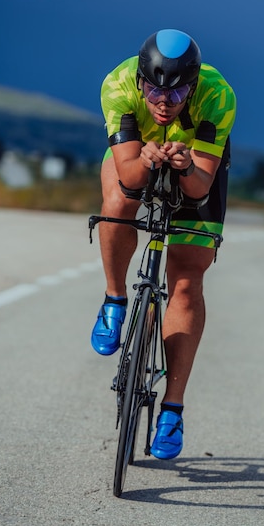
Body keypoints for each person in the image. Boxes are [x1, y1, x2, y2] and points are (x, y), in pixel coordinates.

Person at [91, 28, 236, 460]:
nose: (163, 102)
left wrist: (186, 164)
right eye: (154, 90)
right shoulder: (117, 85)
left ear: (193, 86)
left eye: (176, 94)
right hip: (138, 154)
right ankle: (115, 298)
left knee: (188, 280)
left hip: (197, 162)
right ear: (139, 81)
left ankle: (172, 408)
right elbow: (130, 177)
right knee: (117, 200)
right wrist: (147, 159)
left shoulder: (217, 95)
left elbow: (199, 188)